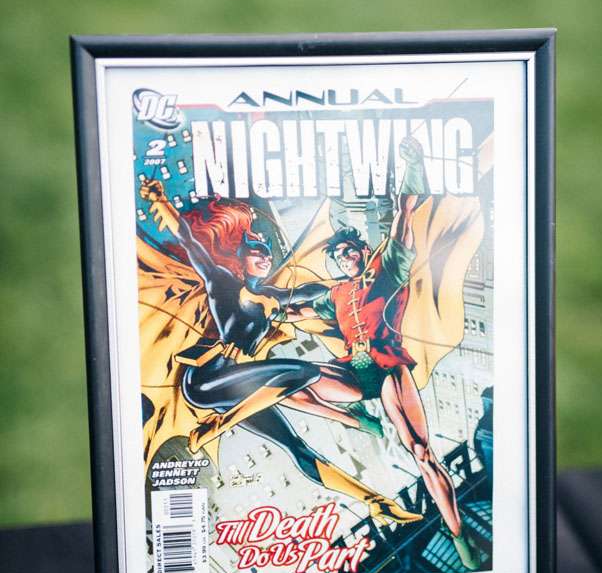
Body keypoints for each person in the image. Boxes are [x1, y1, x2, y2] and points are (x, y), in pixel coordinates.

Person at [139, 179, 419, 526]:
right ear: (240, 258)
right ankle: (225, 426)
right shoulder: (222, 282)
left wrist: (356, 285)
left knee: (295, 446)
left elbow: (311, 291)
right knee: (300, 372)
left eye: (267, 252)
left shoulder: (274, 296)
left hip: (237, 390)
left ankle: (376, 502)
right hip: (206, 381)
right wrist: (161, 201)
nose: (265, 256)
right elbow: (190, 243)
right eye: (257, 250)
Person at [282, 137, 480, 569]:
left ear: (360, 252)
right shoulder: (335, 294)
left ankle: (459, 535)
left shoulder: (386, 269)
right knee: (285, 382)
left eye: (349, 250)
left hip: (389, 369)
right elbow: (295, 311)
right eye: (338, 255)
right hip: (352, 373)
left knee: (422, 453)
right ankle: (361, 421)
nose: (345, 257)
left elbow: (404, 214)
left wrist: (414, 164)